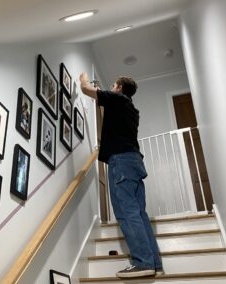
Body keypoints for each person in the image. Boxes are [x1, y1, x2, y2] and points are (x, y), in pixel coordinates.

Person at [79, 72, 163, 278]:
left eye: (113, 85)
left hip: (122, 161)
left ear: (118, 88)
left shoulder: (117, 99)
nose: (112, 87)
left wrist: (83, 78)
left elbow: (86, 90)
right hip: (134, 161)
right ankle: (155, 264)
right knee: (139, 214)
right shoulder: (131, 109)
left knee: (127, 213)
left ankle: (143, 262)